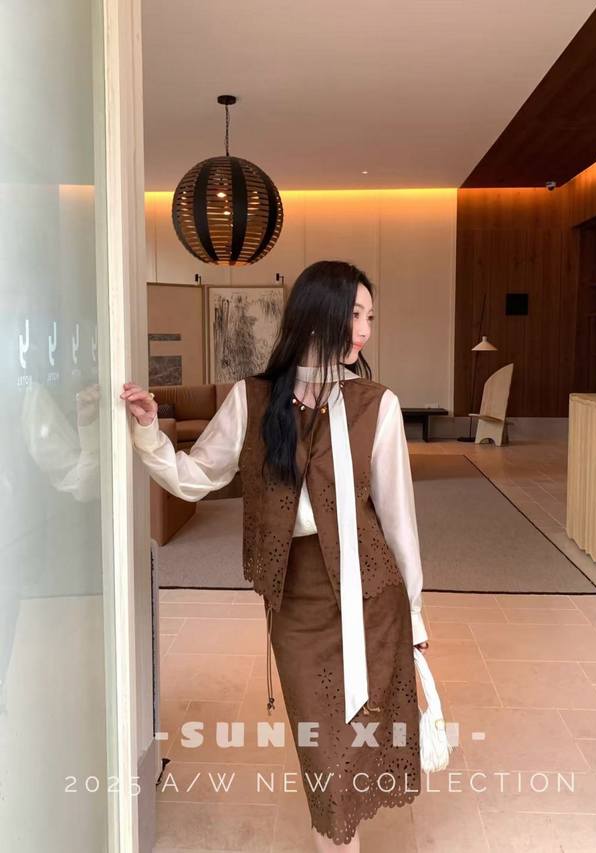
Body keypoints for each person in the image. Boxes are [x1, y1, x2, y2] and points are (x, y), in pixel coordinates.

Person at [121, 260, 429, 851]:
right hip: (296, 599)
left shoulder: (377, 405)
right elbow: (194, 477)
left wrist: (414, 613)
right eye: (355, 315)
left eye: (370, 317)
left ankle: (341, 838)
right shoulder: (253, 398)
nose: (365, 331)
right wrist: (149, 432)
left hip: (370, 595)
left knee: (359, 739)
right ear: (317, 315)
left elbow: (398, 519)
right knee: (321, 745)